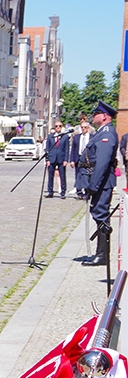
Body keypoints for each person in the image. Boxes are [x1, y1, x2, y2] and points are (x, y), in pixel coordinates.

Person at [82, 101, 119, 267]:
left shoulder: (107, 134)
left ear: (104, 116)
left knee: (102, 216)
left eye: (96, 113)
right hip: (100, 182)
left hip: (102, 183)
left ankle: (103, 255)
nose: (93, 116)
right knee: (99, 215)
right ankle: (100, 253)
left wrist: (93, 185)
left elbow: (102, 163)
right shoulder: (101, 133)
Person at [44, 121, 69, 199]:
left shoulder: (65, 137)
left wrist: (66, 160)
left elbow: (67, 149)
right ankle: (50, 192)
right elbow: (47, 149)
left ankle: (63, 192)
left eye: (60, 126)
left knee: (62, 176)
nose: (58, 127)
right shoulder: (50, 136)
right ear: (54, 127)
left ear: (62, 127)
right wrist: (47, 160)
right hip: (52, 158)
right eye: (56, 126)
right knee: (50, 176)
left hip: (61, 159)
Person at [71, 121, 93, 200]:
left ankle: (87, 192)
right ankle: (79, 192)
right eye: (82, 127)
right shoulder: (77, 137)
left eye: (85, 127)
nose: (83, 129)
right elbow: (73, 149)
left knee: (86, 176)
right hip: (78, 158)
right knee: (78, 176)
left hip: (87, 160)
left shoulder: (92, 137)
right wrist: (72, 160)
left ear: (88, 128)